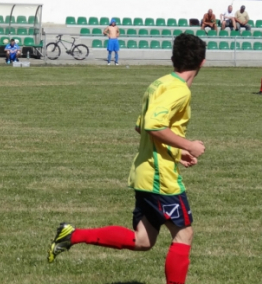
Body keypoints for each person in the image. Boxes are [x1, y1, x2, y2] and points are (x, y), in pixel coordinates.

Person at [47, 33, 207, 284]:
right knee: (184, 234)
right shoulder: (180, 91)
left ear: (173, 58)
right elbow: (153, 127)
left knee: (144, 240)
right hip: (159, 176)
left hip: (145, 171)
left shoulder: (159, 83)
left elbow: (141, 127)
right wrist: (189, 144)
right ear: (203, 62)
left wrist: (178, 152)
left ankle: (72, 235)